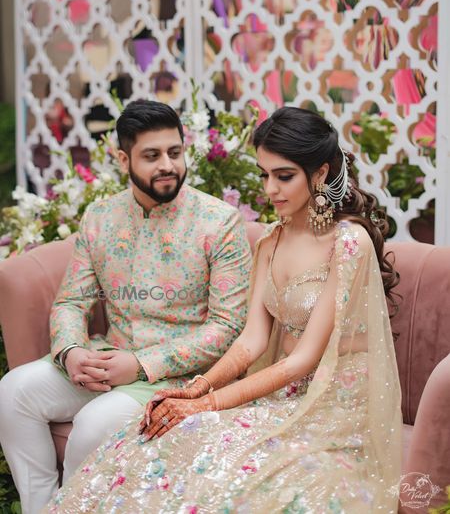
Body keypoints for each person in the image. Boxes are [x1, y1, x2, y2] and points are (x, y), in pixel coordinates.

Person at [44, 107, 403, 513]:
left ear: (319, 174)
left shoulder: (348, 243)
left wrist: (206, 403)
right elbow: (252, 340)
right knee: (163, 442)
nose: (270, 189)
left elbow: (302, 361)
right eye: (264, 174)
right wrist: (196, 388)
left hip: (336, 399)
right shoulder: (272, 240)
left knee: (241, 473)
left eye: (284, 176)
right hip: (284, 391)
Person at [0, 100, 252, 514]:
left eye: (175, 152)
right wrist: (71, 352)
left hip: (177, 374)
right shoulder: (100, 217)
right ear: (123, 158)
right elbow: (71, 302)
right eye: (152, 156)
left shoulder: (219, 222)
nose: (167, 164)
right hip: (106, 360)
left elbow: (227, 327)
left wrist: (139, 365)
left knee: (92, 426)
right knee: (13, 392)